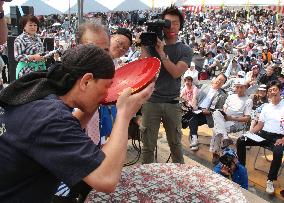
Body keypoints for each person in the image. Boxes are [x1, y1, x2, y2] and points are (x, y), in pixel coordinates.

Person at [0, 45, 155, 203]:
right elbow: (106, 178)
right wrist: (124, 115)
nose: (108, 94)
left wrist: (95, 103)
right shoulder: (52, 117)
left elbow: (62, 133)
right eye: (107, 87)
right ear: (86, 81)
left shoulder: (43, 91)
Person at [140, 5, 193, 164]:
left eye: (175, 23)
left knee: (176, 145)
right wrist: (144, 43)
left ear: (180, 26)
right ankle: (147, 179)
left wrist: (162, 53)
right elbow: (144, 68)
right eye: (167, 22)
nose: (171, 26)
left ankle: (179, 179)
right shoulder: (151, 45)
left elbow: (176, 72)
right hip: (151, 101)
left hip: (172, 103)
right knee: (148, 147)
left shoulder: (185, 50)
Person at [236, 80, 284, 194]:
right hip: (264, 134)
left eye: (275, 89)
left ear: (280, 91)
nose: (272, 92)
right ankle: (241, 169)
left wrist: (283, 139)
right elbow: (260, 125)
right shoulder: (266, 106)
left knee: (278, 153)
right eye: (270, 90)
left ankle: (270, 180)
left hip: (278, 137)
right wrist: (249, 133)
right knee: (241, 140)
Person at [210, 78, 252, 164]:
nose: (239, 89)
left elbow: (247, 118)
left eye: (241, 87)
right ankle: (225, 137)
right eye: (237, 87)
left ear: (245, 88)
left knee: (216, 130)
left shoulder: (248, 100)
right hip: (225, 118)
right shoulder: (231, 96)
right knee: (216, 112)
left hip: (236, 122)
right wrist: (224, 115)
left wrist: (231, 118)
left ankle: (215, 153)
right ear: (235, 87)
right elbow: (224, 108)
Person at [188, 73, 227, 151]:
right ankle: (194, 139)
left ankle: (194, 140)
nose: (219, 82)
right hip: (197, 109)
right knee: (191, 116)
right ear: (215, 78)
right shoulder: (205, 86)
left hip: (208, 115)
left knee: (192, 118)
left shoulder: (222, 95)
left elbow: (218, 110)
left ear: (223, 84)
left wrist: (209, 112)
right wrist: (194, 104)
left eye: (222, 81)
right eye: (218, 79)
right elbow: (196, 98)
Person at [14, 15, 46, 79]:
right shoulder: (20, 39)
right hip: (26, 72)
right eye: (30, 25)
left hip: (39, 70)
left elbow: (40, 53)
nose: (33, 27)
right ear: (24, 26)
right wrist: (33, 57)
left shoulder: (38, 38)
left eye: (35, 25)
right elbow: (17, 57)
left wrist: (44, 56)